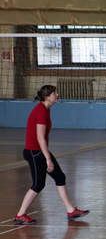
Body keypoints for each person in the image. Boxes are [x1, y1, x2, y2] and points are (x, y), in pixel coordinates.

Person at [15, 85, 89, 225]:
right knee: (38, 184)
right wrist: (48, 159)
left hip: (39, 151)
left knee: (59, 177)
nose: (57, 95)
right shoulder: (41, 112)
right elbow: (40, 138)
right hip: (34, 152)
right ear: (47, 97)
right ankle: (20, 215)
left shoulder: (45, 109)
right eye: (55, 93)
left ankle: (70, 210)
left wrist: (47, 156)